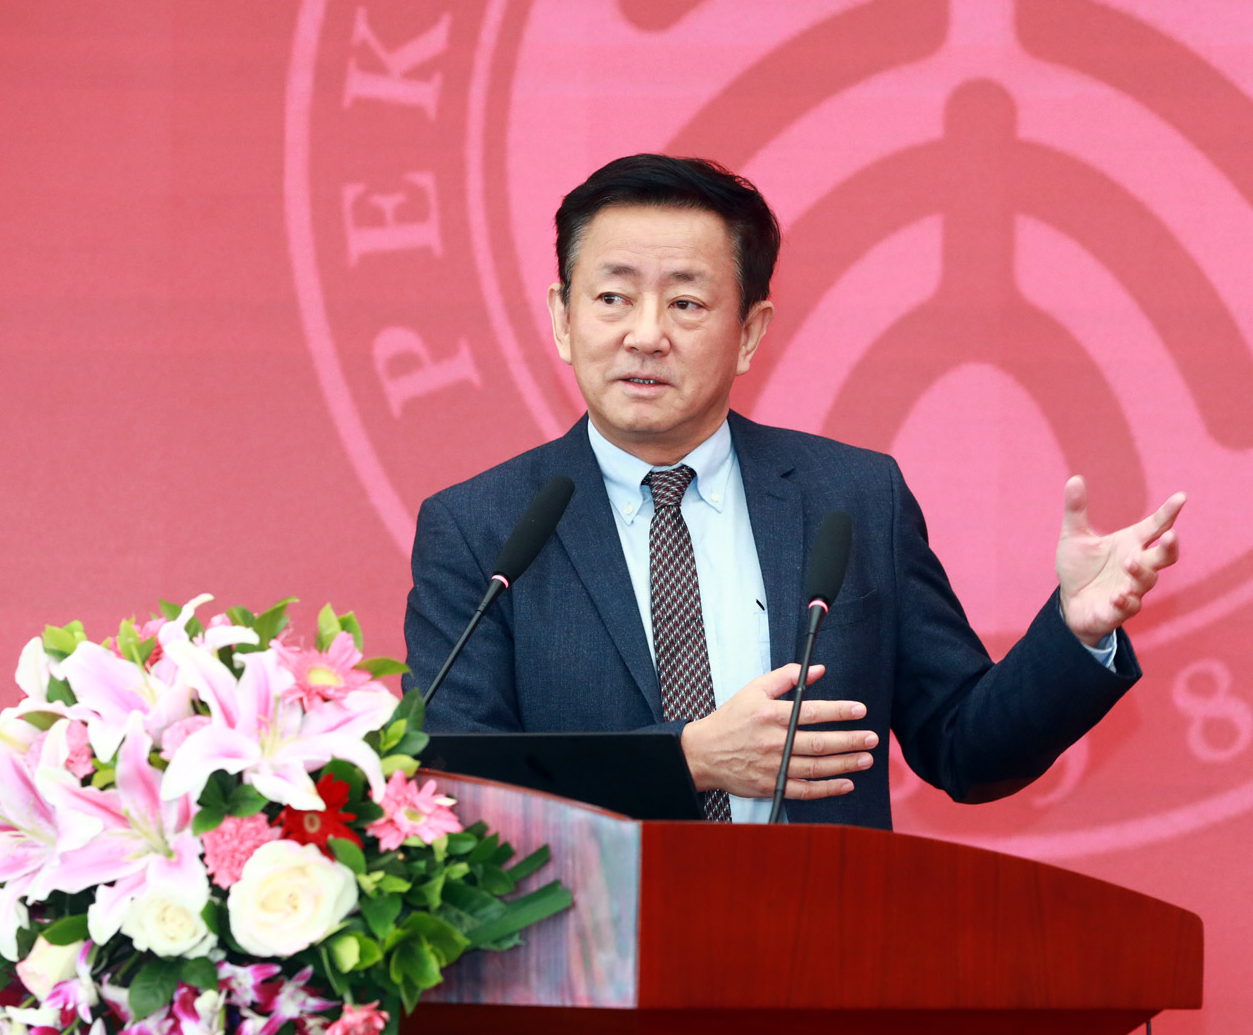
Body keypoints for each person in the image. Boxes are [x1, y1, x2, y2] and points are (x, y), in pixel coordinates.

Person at [403, 154, 1183, 827]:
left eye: (686, 303)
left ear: (749, 333)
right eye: (612, 298)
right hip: (584, 945)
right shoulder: (481, 528)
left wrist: (1075, 632)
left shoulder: (852, 499)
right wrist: (688, 760)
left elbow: (966, 748)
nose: (646, 334)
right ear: (563, 319)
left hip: (818, 940)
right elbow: (455, 779)